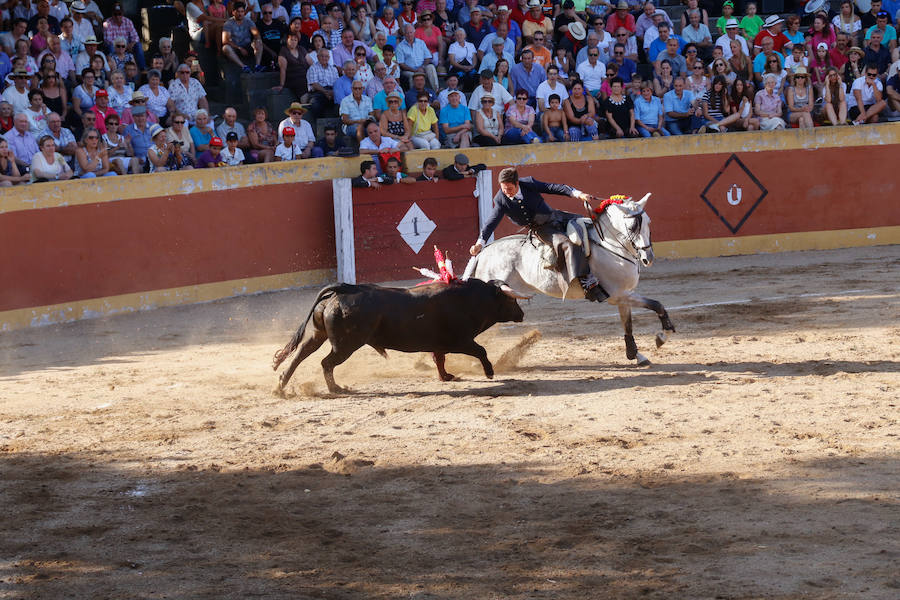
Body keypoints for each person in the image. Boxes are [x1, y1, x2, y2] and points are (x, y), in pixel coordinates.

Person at [469, 167, 608, 302]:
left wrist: (579, 194)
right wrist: (479, 243)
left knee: (588, 227)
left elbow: (553, 187)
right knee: (566, 244)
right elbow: (491, 222)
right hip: (542, 229)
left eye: (509, 189)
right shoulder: (501, 200)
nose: (507, 192)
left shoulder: (528, 183)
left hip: (557, 217)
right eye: (503, 189)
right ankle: (586, 283)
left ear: (517, 183)